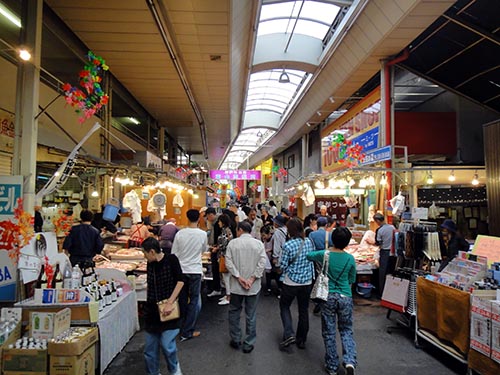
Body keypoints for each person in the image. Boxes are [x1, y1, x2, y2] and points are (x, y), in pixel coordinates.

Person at [307, 227, 357, 375]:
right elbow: (352, 279)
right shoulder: (350, 258)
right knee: (346, 330)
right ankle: (349, 361)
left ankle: (332, 366)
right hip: (345, 297)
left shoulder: (325, 254)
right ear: (347, 242)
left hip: (327, 296)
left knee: (329, 332)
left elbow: (309, 256)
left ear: (333, 240)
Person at [141, 237, 184, 375]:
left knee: (167, 345)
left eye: (145, 253)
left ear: (152, 252)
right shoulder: (150, 264)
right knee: (149, 349)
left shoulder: (171, 260)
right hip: (152, 311)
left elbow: (180, 281)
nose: (144, 256)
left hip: (169, 310)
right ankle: (153, 372)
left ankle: (174, 369)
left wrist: (170, 302)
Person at [225, 221, 267, 354]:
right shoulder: (258, 244)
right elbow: (262, 263)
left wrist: (239, 277)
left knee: (234, 311)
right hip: (253, 286)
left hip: (236, 286)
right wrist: (252, 279)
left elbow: (228, 263)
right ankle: (249, 342)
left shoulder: (233, 243)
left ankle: (236, 339)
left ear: (240, 230)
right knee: (251, 314)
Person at [171, 209, 208, 342]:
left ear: (187, 218)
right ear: (199, 219)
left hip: (182, 271)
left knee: (182, 300)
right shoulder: (202, 234)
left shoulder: (180, 233)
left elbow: (174, 253)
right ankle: (187, 331)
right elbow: (204, 250)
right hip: (195, 270)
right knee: (193, 301)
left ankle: (181, 327)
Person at [278, 218, 315, 350]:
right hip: (307, 281)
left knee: (284, 306)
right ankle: (302, 340)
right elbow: (312, 258)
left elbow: (282, 265)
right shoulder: (309, 242)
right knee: (303, 310)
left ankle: (289, 333)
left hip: (291, 282)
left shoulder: (288, 245)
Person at [373, 213, 395, 295]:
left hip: (384, 252)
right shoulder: (392, 227)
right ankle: (390, 293)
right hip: (392, 252)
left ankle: (382, 293)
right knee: (391, 272)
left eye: (376, 221)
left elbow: (378, 242)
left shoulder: (380, 230)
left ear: (378, 220)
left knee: (382, 273)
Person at [214, 214, 234, 306]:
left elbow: (225, 243)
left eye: (219, 221)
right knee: (225, 277)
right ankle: (227, 295)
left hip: (225, 256)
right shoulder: (225, 230)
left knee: (226, 277)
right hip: (224, 255)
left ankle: (228, 296)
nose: (218, 223)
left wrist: (217, 248)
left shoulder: (226, 231)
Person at [205, 207, 222, 298]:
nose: (207, 219)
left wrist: (215, 247)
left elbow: (217, 238)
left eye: (207, 216)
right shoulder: (214, 222)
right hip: (216, 248)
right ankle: (219, 287)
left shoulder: (216, 223)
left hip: (216, 249)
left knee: (216, 269)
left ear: (211, 215)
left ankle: (217, 289)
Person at [271, 214, 288, 295]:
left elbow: (277, 245)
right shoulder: (287, 230)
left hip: (280, 254)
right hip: (287, 253)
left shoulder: (277, 232)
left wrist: (275, 257)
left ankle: (281, 290)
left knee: (278, 272)